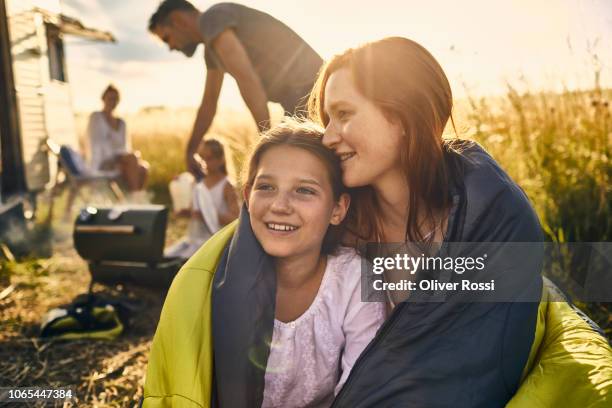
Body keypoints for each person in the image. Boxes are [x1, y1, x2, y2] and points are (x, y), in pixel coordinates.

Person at [143, 121, 385, 407]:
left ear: (337, 209)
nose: (279, 205)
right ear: (247, 197)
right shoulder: (209, 281)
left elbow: (362, 390)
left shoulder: (353, 279)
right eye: (266, 187)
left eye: (305, 191)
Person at [147, 0, 323, 177]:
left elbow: (247, 80)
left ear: (178, 20)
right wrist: (190, 151)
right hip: (300, 99)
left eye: (166, 38)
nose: (170, 47)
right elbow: (209, 103)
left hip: (313, 91)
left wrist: (266, 140)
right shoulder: (211, 49)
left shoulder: (212, 18)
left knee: (291, 171)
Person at [165, 139, 240, 259]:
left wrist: (207, 215)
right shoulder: (197, 184)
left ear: (220, 160)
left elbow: (236, 219)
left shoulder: (226, 185)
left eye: (209, 158)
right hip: (193, 241)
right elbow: (193, 212)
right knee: (165, 257)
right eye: (201, 158)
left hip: (213, 242)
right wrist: (184, 211)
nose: (204, 162)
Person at [87, 85, 149, 197]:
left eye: (115, 99)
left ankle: (134, 197)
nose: (112, 102)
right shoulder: (96, 118)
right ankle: (136, 199)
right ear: (103, 99)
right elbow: (96, 144)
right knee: (133, 159)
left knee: (143, 168)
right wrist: (114, 158)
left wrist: (122, 157)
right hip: (103, 162)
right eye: (110, 98)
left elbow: (126, 146)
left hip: (121, 161)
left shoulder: (121, 123)